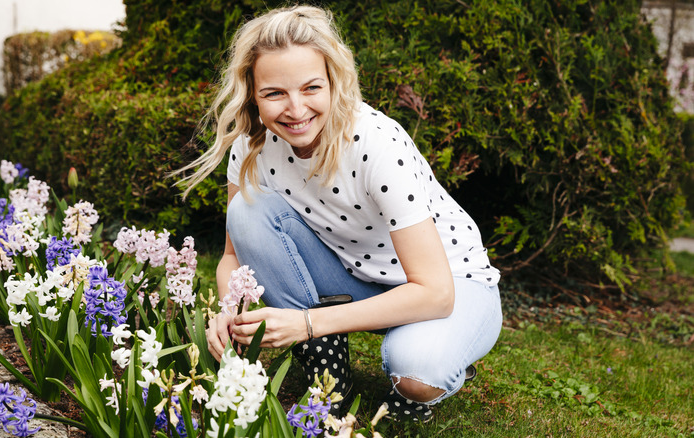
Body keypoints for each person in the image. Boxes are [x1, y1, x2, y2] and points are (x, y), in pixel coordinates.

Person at [174, 5, 502, 422]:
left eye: (311, 88)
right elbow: (232, 257)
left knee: (419, 371)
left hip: (449, 285)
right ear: (252, 95)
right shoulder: (251, 147)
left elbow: (435, 292)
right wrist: (228, 312)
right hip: (353, 278)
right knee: (247, 208)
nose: (295, 109)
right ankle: (329, 371)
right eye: (274, 93)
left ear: (334, 83)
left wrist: (307, 322)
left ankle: (440, 360)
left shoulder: (376, 145)